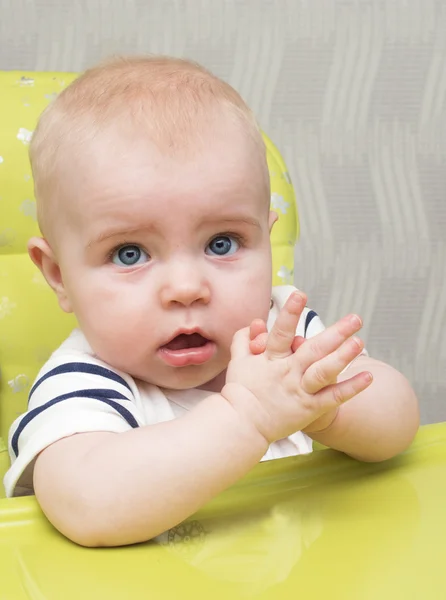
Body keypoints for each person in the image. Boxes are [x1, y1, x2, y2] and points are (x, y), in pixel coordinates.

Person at [4, 56, 419, 547]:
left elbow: (399, 426)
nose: (186, 287)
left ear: (266, 238)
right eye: (129, 253)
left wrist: (324, 409)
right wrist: (245, 418)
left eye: (221, 243)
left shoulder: (280, 343)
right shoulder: (84, 384)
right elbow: (91, 507)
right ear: (59, 276)